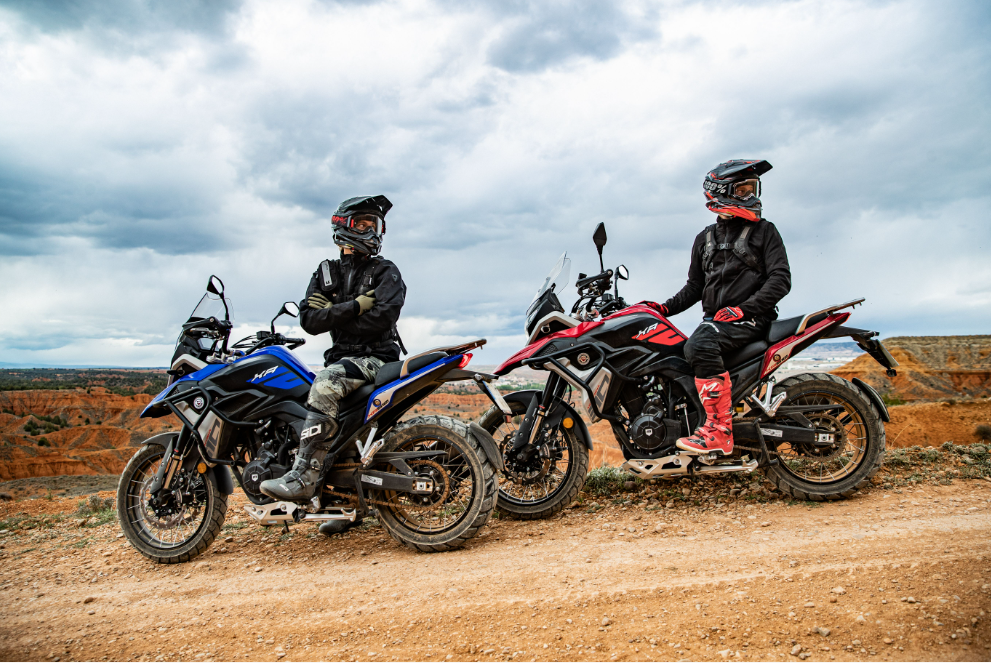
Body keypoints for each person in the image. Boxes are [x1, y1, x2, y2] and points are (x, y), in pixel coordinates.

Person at [260, 195, 407, 522]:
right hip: (342, 360)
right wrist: (356, 307)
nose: (371, 230)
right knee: (331, 417)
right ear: (343, 226)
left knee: (325, 384)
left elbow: (384, 318)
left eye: (375, 224)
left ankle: (303, 478)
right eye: (363, 223)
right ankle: (346, 506)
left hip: (376, 359)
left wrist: (334, 313)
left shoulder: (386, 271)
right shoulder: (326, 273)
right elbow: (310, 320)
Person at [643, 160, 790, 456]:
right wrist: (663, 308)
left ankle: (719, 431)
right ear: (720, 192)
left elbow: (780, 279)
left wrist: (744, 310)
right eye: (743, 190)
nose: (750, 196)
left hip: (751, 320)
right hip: (717, 322)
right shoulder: (705, 238)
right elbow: (694, 287)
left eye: (752, 189)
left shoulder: (765, 231)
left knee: (699, 344)